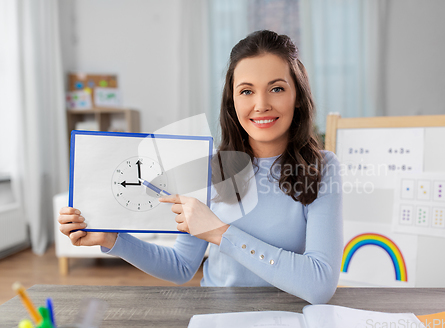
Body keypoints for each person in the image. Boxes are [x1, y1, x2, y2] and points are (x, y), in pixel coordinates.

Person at [58, 30, 343, 304]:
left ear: (298, 97)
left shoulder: (323, 168)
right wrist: (113, 239)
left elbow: (319, 285)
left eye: (277, 88)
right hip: (218, 316)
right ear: (232, 102)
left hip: (290, 319)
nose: (261, 104)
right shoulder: (209, 169)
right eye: (246, 91)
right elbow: (182, 265)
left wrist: (220, 232)